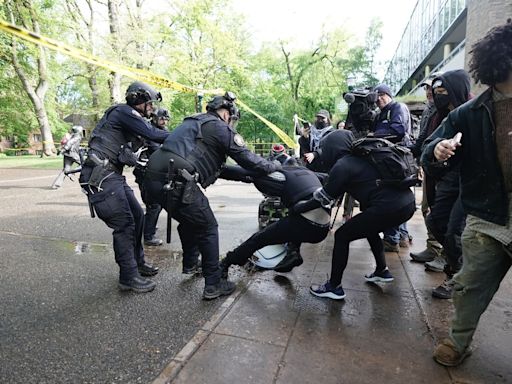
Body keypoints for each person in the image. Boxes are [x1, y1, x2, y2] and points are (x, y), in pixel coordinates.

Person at [423, 19, 512, 367]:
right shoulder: (468, 113)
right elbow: (428, 147)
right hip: (486, 215)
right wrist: (439, 149)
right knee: (469, 285)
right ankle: (458, 342)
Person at [144, 92, 281, 300]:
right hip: (178, 181)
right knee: (208, 227)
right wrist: (274, 165)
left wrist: (247, 177)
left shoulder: (196, 124)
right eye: (232, 118)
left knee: (191, 221)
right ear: (225, 113)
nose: (232, 123)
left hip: (155, 179)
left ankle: (191, 264)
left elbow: (218, 167)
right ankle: (213, 284)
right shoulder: (218, 126)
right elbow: (248, 159)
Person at [293, 135, 416, 300]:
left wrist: (297, 208)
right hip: (407, 205)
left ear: (332, 148)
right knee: (369, 228)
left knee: (342, 235)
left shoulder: (342, 165)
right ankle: (382, 270)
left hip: (388, 208)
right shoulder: (363, 159)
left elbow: (324, 198)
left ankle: (334, 286)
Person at [79, 81, 169, 293]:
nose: (152, 108)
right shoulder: (124, 112)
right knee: (125, 224)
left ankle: (137, 264)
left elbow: (151, 144)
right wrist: (185, 133)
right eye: (149, 103)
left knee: (138, 216)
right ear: (137, 99)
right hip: (101, 177)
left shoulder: (129, 119)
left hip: (111, 175)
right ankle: (128, 277)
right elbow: (154, 134)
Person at [219, 163, 332, 276]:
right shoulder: (311, 173)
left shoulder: (281, 176)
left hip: (304, 224)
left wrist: (218, 170)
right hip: (323, 230)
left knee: (257, 239)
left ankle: (226, 263)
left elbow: (243, 173)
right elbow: (330, 178)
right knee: (292, 218)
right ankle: (293, 253)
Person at [423, 70, 471, 299]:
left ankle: (457, 275)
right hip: (450, 178)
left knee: (454, 231)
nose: (440, 96)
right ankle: (458, 261)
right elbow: (431, 142)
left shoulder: (476, 111)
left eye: (444, 92)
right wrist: (436, 149)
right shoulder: (442, 117)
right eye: (436, 92)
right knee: (435, 220)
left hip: (473, 181)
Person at [372, 83, 413, 252]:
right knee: (399, 198)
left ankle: (391, 239)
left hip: (398, 161)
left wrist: (374, 135)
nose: (378, 98)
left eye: (382, 94)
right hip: (390, 161)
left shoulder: (398, 107)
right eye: (376, 96)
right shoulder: (380, 113)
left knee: (393, 198)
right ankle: (401, 236)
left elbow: (398, 130)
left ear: (389, 94)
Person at [409, 72, 444, 264]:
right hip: (429, 165)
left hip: (445, 170)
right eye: (427, 88)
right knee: (427, 208)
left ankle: (444, 254)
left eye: (432, 88)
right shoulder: (429, 110)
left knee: (441, 211)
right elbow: (423, 137)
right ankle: (433, 247)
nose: (428, 91)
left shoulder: (447, 108)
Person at [133, 108, 170, 247]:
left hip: (153, 173)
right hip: (145, 173)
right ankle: (148, 236)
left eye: (166, 119)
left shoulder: (159, 131)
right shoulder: (150, 132)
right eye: (162, 118)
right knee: (154, 205)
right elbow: (158, 151)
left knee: (155, 205)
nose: (164, 121)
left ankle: (148, 228)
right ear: (155, 118)